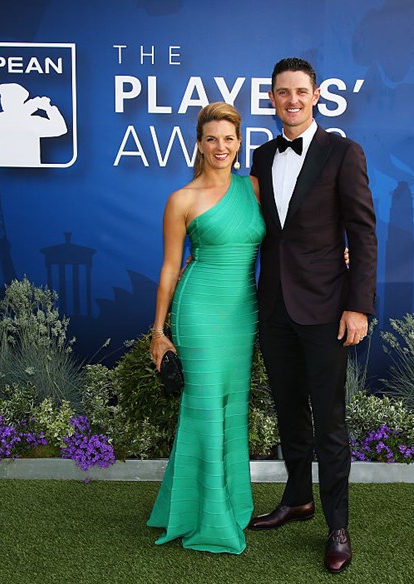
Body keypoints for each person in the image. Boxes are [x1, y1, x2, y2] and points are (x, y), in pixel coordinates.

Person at [247, 57, 378, 574]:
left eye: (301, 91)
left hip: (327, 308)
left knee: (329, 422)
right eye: (283, 92)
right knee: (288, 411)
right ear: (272, 98)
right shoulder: (259, 156)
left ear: (318, 95)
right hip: (275, 306)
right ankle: (298, 498)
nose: (292, 100)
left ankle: (338, 526)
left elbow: (362, 233)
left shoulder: (343, 153)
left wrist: (359, 304)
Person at [146, 102, 265, 554]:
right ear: (198, 143)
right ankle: (209, 517)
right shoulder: (182, 199)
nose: (221, 146)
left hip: (243, 312)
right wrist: (159, 331)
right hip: (198, 310)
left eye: (229, 138)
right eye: (211, 138)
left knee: (231, 405)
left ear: (239, 144)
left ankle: (225, 504)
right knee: (205, 405)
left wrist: (337, 257)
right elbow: (170, 268)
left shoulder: (253, 188)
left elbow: (293, 240)